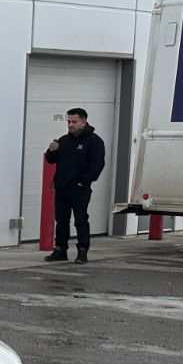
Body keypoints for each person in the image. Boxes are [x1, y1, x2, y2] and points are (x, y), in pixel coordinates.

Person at [44, 107, 105, 264]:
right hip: (62, 187)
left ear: (83, 121)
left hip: (79, 189)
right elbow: (51, 160)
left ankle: (82, 251)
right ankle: (60, 250)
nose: (70, 125)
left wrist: (83, 182)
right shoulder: (63, 140)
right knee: (61, 220)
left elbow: (97, 165)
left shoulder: (94, 141)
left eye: (74, 122)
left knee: (80, 220)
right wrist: (51, 151)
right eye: (69, 121)